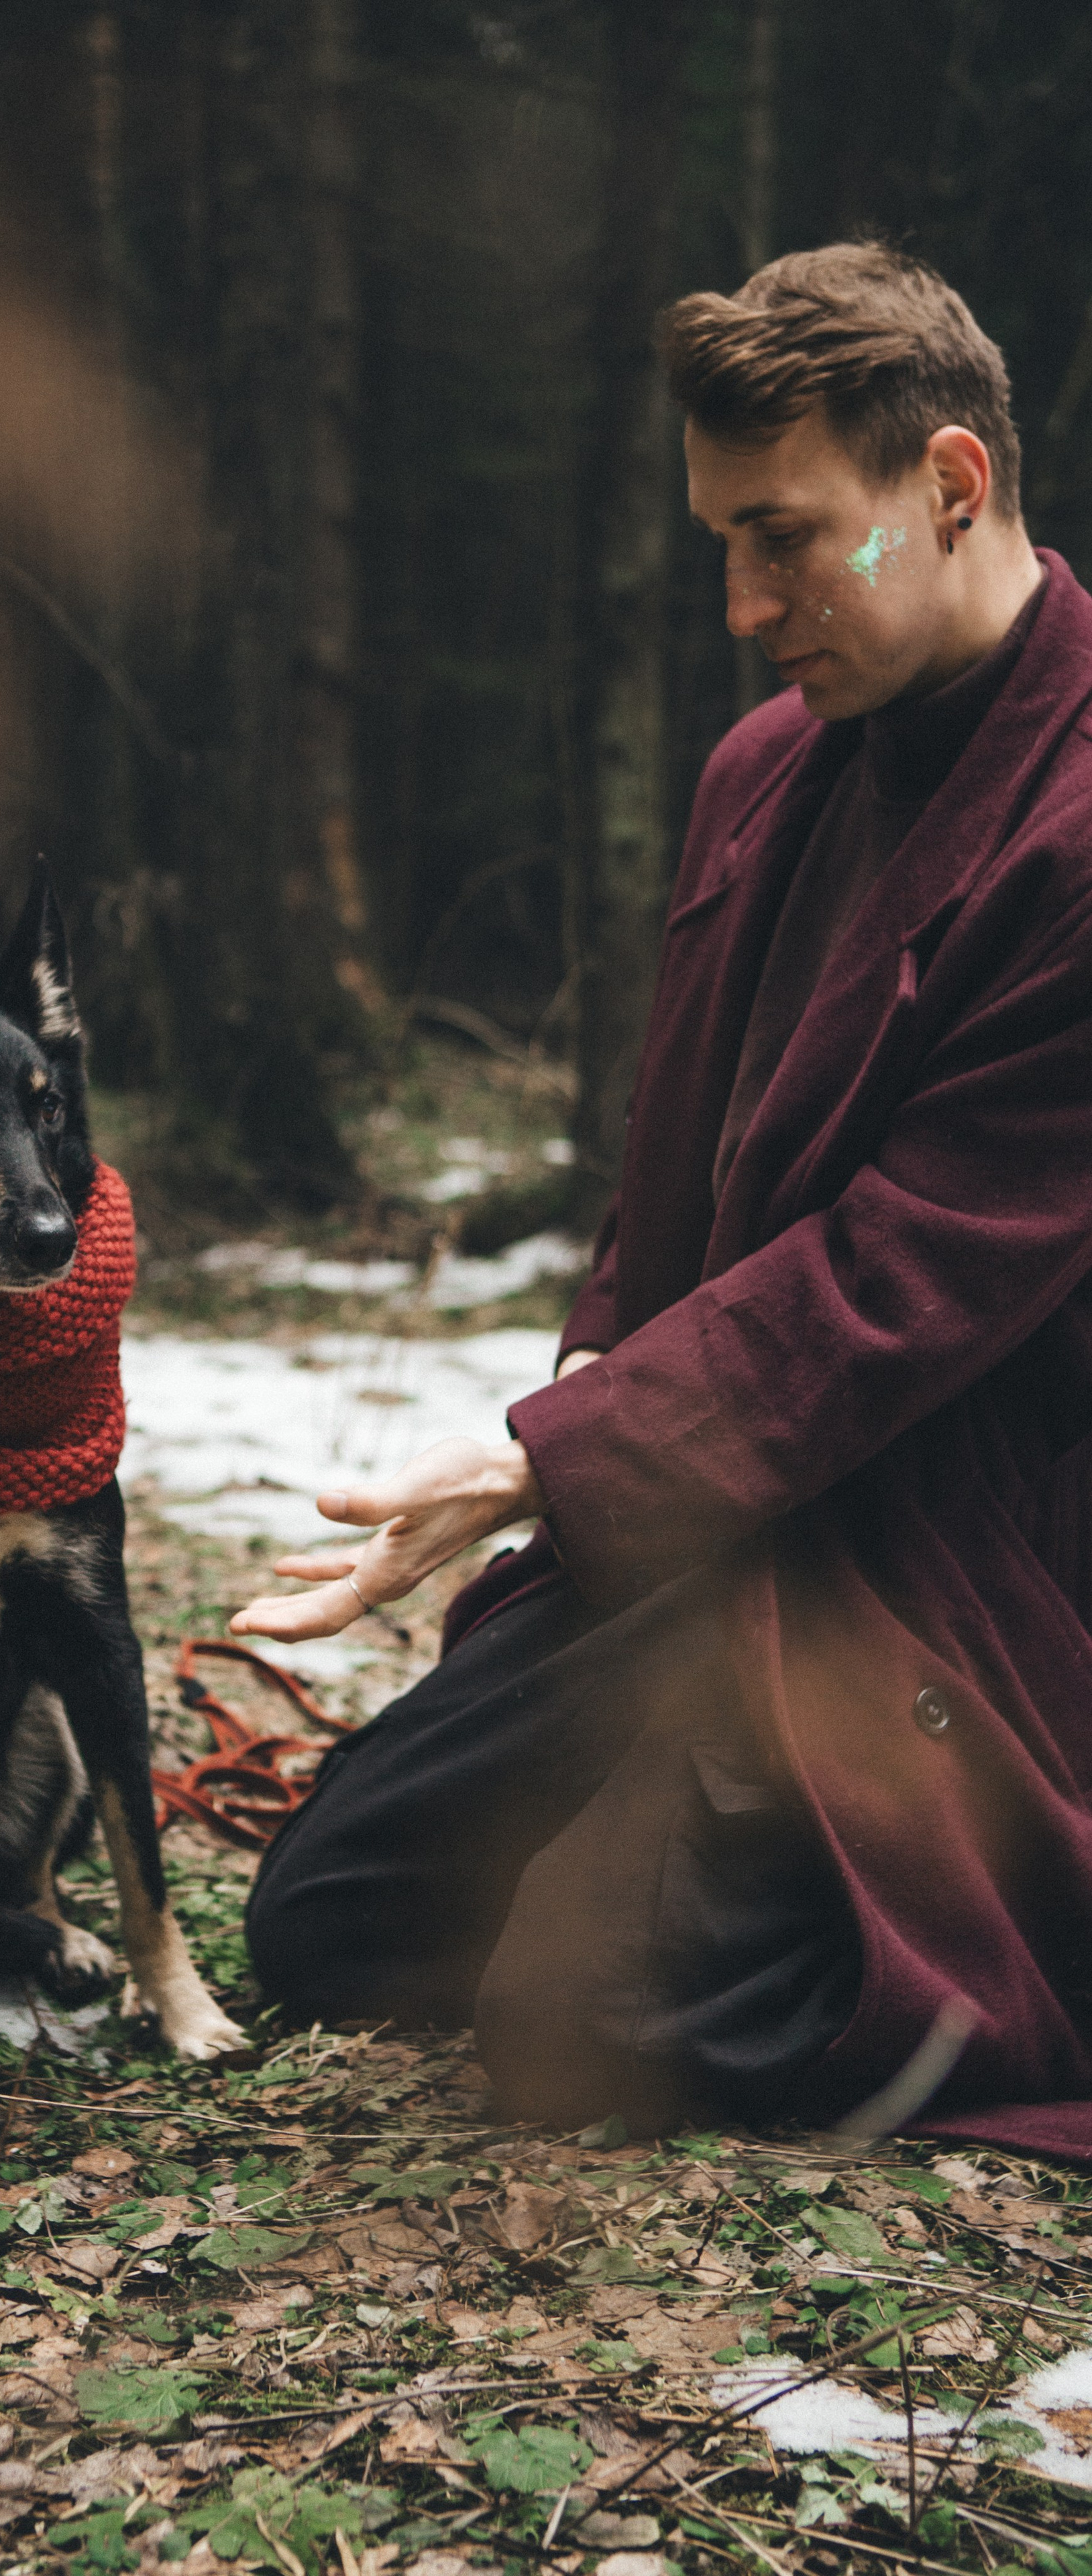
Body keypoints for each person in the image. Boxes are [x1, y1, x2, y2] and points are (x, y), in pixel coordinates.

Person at [233, 243, 1092, 2157]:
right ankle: (681, 1815)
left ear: (951, 487)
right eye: (721, 540)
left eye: (788, 539)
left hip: (965, 1559)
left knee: (588, 2019)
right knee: (331, 1919)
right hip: (712, 1511)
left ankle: (952, 1925)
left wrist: (544, 1460)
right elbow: (670, 1190)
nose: (743, 603)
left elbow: (898, 1281)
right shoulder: (765, 771)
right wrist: (588, 1466)